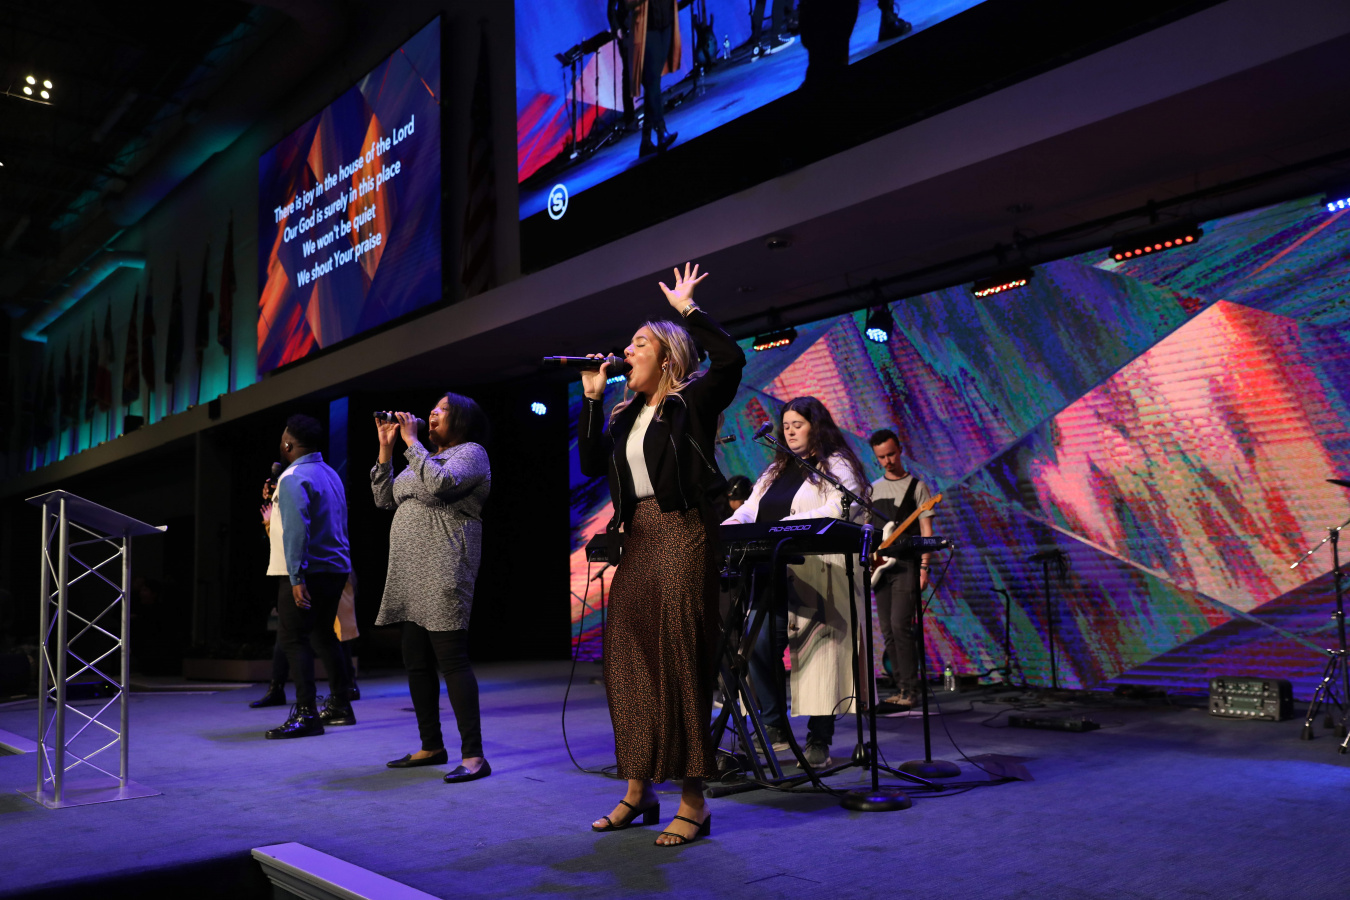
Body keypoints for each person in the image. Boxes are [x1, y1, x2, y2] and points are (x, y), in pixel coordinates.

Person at [578, 262, 744, 847]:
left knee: (677, 661)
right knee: (627, 662)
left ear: (668, 355)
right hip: (640, 537)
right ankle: (638, 789)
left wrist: (687, 311)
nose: (626, 351)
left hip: (683, 532)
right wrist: (593, 400)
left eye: (639, 344)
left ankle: (693, 800)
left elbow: (731, 360)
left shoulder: (690, 402)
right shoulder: (626, 415)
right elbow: (591, 464)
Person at [722, 397, 869, 767]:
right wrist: (730, 526)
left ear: (816, 426)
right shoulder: (775, 470)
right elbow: (750, 508)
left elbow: (841, 507)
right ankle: (774, 726)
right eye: (785, 425)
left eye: (797, 425)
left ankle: (820, 738)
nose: (788, 431)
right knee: (757, 645)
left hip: (819, 571)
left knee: (822, 655)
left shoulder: (836, 464)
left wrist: (787, 526)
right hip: (771, 571)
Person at [373, 394, 493, 784]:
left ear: (461, 419)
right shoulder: (422, 457)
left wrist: (411, 442)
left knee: (451, 659)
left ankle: (474, 756)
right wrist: (386, 449)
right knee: (415, 659)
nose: (431, 414)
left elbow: (441, 485)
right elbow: (384, 499)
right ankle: (431, 746)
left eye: (441, 410)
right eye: (432, 409)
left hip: (444, 565)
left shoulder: (471, 453)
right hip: (409, 571)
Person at [265, 415, 355, 739]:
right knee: (323, 635)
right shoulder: (331, 473)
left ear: (289, 444)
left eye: (283, 439)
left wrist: (296, 576)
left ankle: (306, 714)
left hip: (307, 571)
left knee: (293, 639)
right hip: (335, 568)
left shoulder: (293, 477)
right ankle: (341, 705)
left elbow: (297, 529)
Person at [251, 480, 360, 708]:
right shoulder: (320, 489)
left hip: (316, 570)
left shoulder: (313, 495)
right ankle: (338, 694)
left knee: (327, 631)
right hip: (323, 568)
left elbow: (294, 537)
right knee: (314, 632)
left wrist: (271, 522)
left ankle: (336, 694)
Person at [868, 428, 934, 707]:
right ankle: (901, 687)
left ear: (900, 450)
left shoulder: (917, 487)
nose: (888, 461)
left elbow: (926, 531)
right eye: (882, 457)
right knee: (887, 630)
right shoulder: (871, 489)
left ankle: (910, 690)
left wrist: (924, 567)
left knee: (900, 625)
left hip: (906, 565)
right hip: (880, 567)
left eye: (891, 454)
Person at [630, 0, 680, 157]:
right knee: (652, 81)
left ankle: (646, 141)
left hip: (666, 21)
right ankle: (660, 130)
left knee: (654, 81)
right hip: (648, 27)